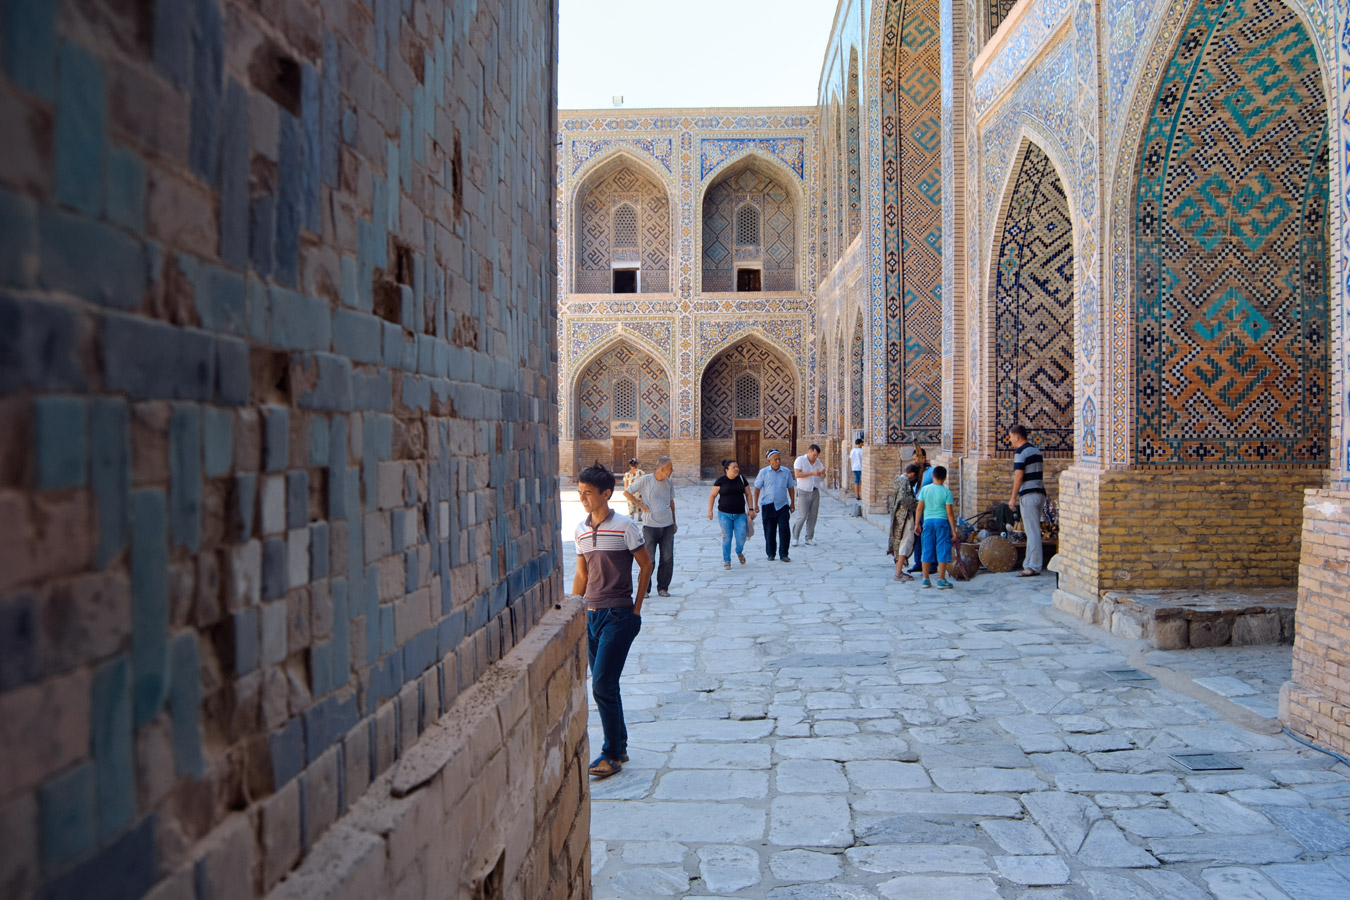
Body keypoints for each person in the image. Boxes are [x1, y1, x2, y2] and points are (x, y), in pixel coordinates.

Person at [572, 465, 653, 779]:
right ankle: (620, 746)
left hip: (618, 615)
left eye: (588, 493)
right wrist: (573, 608)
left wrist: (636, 610)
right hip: (590, 616)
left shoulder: (624, 527)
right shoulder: (580, 530)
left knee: (602, 684)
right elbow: (582, 574)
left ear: (606, 493)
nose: (583, 499)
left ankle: (611, 752)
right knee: (606, 683)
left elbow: (646, 565)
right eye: (580, 492)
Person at [623, 456, 677, 597]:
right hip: (650, 527)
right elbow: (627, 492)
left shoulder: (669, 482)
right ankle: (645, 589)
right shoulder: (646, 480)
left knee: (667, 558)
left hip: (667, 526)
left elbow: (671, 502)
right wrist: (641, 506)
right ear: (662, 469)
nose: (672, 471)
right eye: (670, 468)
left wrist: (674, 521)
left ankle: (663, 588)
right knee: (649, 559)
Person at [1007, 424, 1045, 577]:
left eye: (1011, 437)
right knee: (1032, 530)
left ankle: (1034, 566)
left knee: (1032, 532)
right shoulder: (1036, 450)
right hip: (1040, 493)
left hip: (1029, 495)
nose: (1010, 440)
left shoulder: (1020, 452)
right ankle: (1028, 564)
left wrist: (1013, 498)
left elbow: (1019, 476)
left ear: (1016, 436)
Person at [914, 465, 959, 589]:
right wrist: (954, 530)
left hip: (928, 522)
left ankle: (925, 579)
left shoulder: (925, 490)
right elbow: (949, 513)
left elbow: (919, 508)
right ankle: (941, 579)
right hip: (942, 522)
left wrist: (917, 523)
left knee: (926, 549)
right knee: (942, 549)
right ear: (945, 478)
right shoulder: (947, 492)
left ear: (933, 476)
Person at [751, 449, 795, 562]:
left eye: (779, 459)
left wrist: (792, 503)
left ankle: (784, 554)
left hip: (783, 505)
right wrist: (755, 504)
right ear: (769, 461)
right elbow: (757, 488)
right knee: (769, 530)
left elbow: (791, 487)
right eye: (775, 459)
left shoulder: (786, 472)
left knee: (784, 529)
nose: (778, 461)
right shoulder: (763, 472)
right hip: (768, 505)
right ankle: (771, 553)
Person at [707, 459, 751, 569]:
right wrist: (710, 510)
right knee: (727, 538)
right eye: (734, 467)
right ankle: (727, 560)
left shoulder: (742, 479)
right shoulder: (721, 481)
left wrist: (751, 509)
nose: (736, 469)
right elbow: (712, 495)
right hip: (724, 514)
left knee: (741, 537)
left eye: (737, 467)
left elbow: (748, 494)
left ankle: (739, 551)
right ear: (727, 470)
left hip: (740, 514)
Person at [887, 463, 922, 582]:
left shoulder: (898, 479)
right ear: (912, 474)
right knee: (905, 542)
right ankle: (898, 573)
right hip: (905, 516)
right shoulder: (905, 481)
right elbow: (904, 499)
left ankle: (899, 570)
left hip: (898, 516)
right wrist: (918, 503)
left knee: (901, 542)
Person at [905, 446, 933, 575]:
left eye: (917, 458)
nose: (915, 461)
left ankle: (931, 563)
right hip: (916, 507)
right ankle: (918, 563)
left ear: (924, 458)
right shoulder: (914, 472)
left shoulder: (931, 472)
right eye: (914, 459)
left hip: (927, 508)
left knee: (928, 536)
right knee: (917, 535)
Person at [792, 443, 826, 546]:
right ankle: (795, 537)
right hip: (803, 490)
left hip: (815, 491)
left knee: (813, 516)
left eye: (817, 455)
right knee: (802, 516)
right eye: (814, 455)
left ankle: (809, 538)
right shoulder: (800, 460)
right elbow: (797, 474)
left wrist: (822, 473)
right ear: (809, 451)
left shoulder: (818, 462)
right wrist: (812, 473)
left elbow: (822, 477)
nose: (815, 457)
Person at [622, 458, 646, 522]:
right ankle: (639, 517)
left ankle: (631, 518)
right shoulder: (641, 472)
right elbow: (644, 481)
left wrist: (626, 492)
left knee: (631, 505)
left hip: (630, 492)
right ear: (637, 465)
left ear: (630, 465)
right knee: (640, 503)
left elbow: (626, 485)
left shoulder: (627, 474)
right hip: (639, 491)